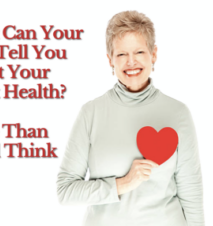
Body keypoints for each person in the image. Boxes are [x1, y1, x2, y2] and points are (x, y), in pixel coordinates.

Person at [56, 10, 205, 226]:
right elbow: (65, 191)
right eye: (122, 54)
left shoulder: (178, 113)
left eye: (139, 52)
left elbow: (191, 193)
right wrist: (123, 183)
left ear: (153, 55)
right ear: (110, 60)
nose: (131, 62)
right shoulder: (91, 113)